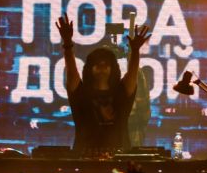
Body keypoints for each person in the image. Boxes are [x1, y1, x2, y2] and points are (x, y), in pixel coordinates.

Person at [56, 15, 151, 156]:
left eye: (106, 63)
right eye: (97, 63)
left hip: (119, 158)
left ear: (113, 68)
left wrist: (135, 50)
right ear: (90, 68)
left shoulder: (121, 93)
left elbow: (132, 74)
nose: (102, 66)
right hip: (85, 158)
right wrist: (68, 44)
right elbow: (71, 72)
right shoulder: (81, 93)